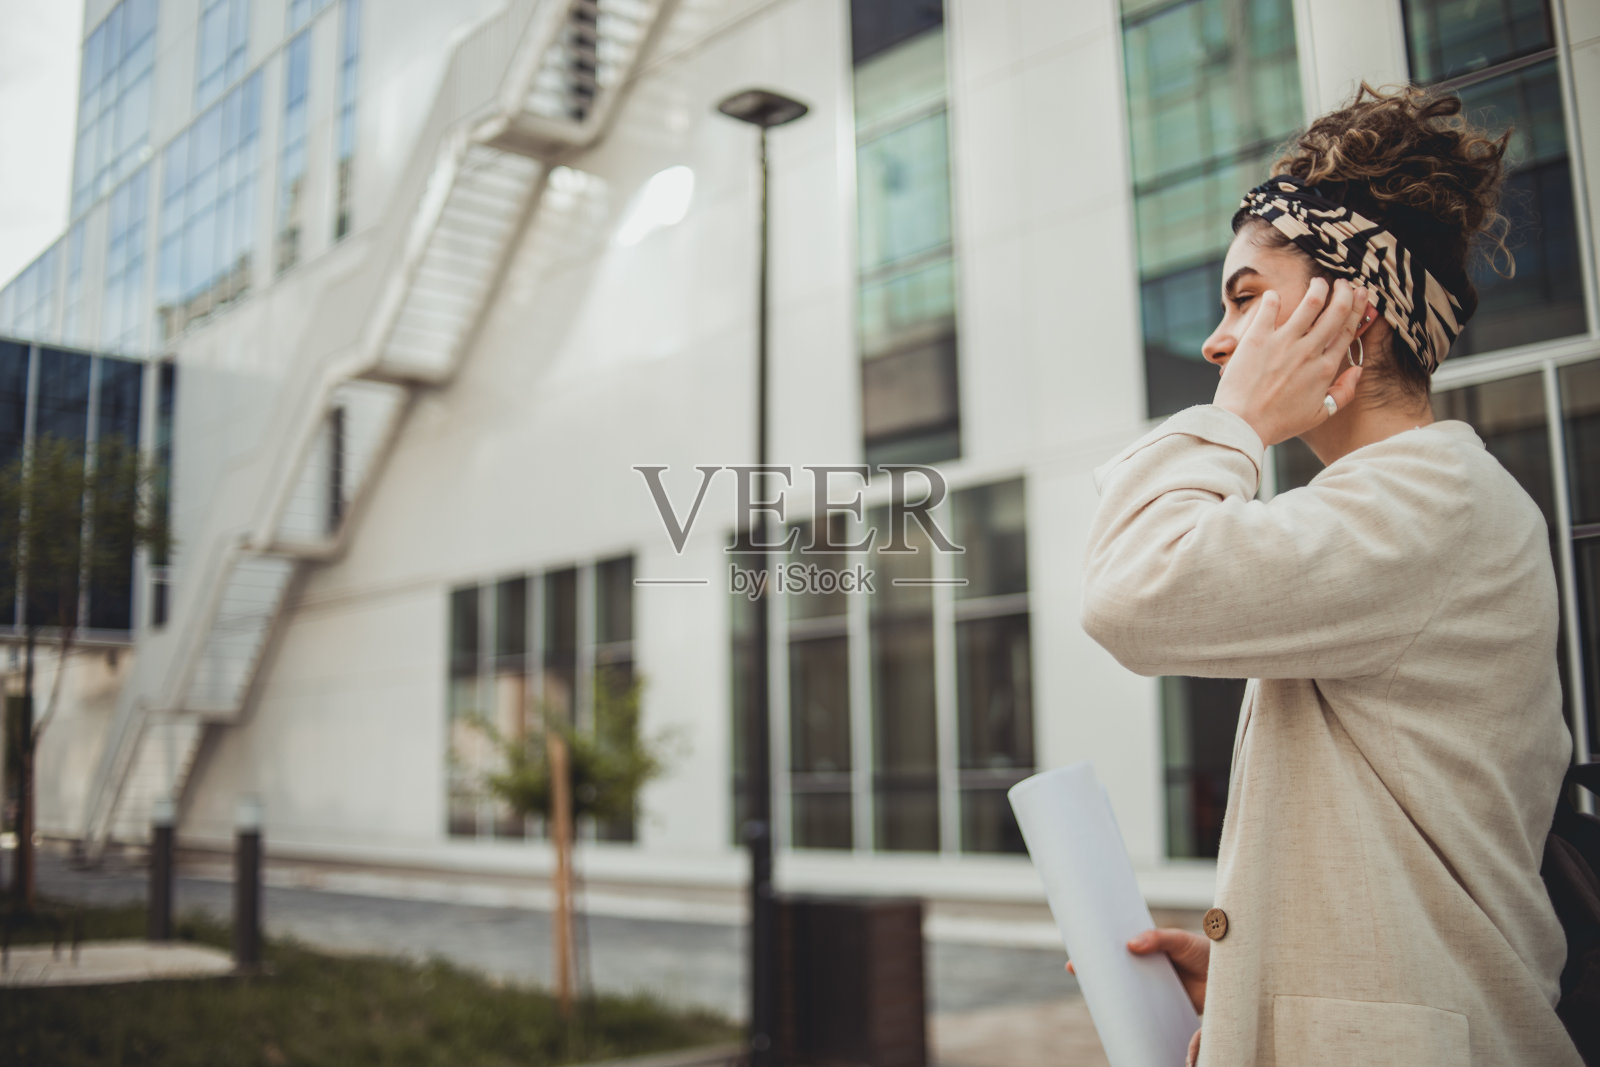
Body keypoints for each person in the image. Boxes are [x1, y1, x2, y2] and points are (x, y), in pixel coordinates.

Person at [1076, 83, 1583, 1066]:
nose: (1217, 342)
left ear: (1353, 311)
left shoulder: (1428, 500)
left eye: (1244, 298)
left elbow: (1130, 590)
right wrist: (1249, 982)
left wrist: (1234, 419)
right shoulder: (1388, 504)